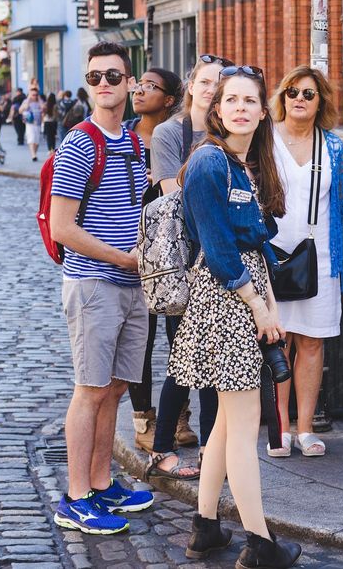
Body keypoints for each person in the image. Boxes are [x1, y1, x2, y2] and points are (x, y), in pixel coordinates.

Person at [170, 64, 301, 567]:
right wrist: (258, 307)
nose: (241, 108)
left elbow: (252, 246)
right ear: (216, 110)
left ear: (263, 112)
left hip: (242, 297)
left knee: (227, 421)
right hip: (227, 300)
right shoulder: (208, 163)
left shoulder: (240, 165)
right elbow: (220, 249)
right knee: (245, 428)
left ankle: (205, 526)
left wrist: (267, 304)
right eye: (232, 100)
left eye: (250, 101)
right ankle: (260, 542)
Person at [49, 41, 153, 534]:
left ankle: (101, 482)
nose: (105, 84)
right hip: (94, 284)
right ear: (88, 84)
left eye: (114, 75)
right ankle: (74, 498)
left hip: (132, 285)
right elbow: (62, 229)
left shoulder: (132, 142)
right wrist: (123, 259)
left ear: (131, 83)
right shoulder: (79, 143)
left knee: (115, 388)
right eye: (95, 77)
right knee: (90, 391)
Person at [145, 54, 233, 480]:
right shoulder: (170, 133)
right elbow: (172, 194)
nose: (211, 87)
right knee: (184, 360)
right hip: (187, 261)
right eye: (205, 80)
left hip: (225, 258)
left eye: (220, 82)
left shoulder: (232, 131)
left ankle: (212, 452)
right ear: (191, 85)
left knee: (217, 365)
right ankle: (163, 445)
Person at [262, 66, 343, 458]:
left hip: (320, 256)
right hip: (272, 254)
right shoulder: (265, 141)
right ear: (282, 97)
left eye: (308, 94)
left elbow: (341, 206)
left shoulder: (332, 146)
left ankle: (305, 428)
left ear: (321, 101)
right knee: (278, 341)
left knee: (312, 343)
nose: (299, 98)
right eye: (292, 91)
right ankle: (279, 427)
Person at [122, 67, 183, 456]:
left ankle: (180, 415)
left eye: (151, 87)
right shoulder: (123, 137)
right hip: (134, 252)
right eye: (139, 84)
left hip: (176, 251)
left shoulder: (179, 136)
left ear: (170, 99)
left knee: (180, 336)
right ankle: (144, 418)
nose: (140, 91)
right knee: (139, 343)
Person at [23, 87, 44, 160]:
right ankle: (33, 155)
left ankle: (34, 153)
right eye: (33, 95)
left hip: (38, 123)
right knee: (31, 139)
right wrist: (28, 99)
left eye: (36, 95)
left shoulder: (39, 101)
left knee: (37, 141)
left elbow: (43, 108)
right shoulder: (26, 101)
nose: (34, 96)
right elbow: (24, 108)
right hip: (30, 123)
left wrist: (39, 99)